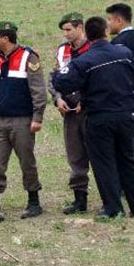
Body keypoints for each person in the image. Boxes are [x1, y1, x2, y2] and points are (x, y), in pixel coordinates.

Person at [52, 16, 134, 218]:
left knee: (104, 162)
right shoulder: (124, 53)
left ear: (87, 34)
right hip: (125, 115)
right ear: (106, 32)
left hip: (99, 118)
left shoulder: (84, 61)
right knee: (128, 160)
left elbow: (61, 82)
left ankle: (113, 209)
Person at [0, 21, 47, 222]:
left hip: (22, 120)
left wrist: (37, 117)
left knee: (27, 161)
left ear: (5, 38)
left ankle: (34, 201)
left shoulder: (29, 57)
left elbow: (38, 90)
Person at [47, 12, 91, 214]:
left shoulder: (93, 48)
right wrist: (57, 98)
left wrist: (86, 99)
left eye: (68, 30)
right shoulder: (62, 50)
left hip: (91, 110)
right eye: (63, 30)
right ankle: (79, 199)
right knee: (75, 156)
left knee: (101, 154)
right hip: (70, 112)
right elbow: (54, 77)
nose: (65, 34)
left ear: (80, 27)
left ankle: (113, 197)